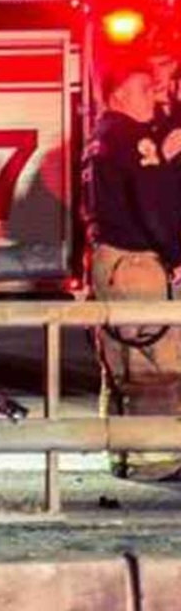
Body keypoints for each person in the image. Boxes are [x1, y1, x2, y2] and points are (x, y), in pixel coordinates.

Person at [87, 62, 181, 481]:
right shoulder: (134, 138)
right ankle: (158, 462)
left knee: (119, 362)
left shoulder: (100, 137)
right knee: (156, 362)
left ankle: (123, 455)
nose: (154, 97)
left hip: (109, 263)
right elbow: (154, 206)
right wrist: (176, 254)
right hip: (137, 264)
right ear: (117, 95)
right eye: (143, 88)